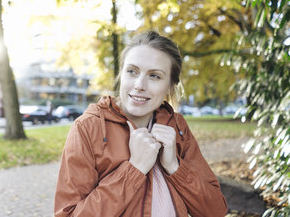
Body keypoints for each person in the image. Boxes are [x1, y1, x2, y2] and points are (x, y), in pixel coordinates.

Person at [54, 31, 227, 216]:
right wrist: (134, 169)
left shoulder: (176, 126)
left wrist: (174, 166)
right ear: (121, 75)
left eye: (154, 76)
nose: (139, 85)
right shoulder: (88, 128)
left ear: (169, 86)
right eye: (132, 71)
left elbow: (215, 210)